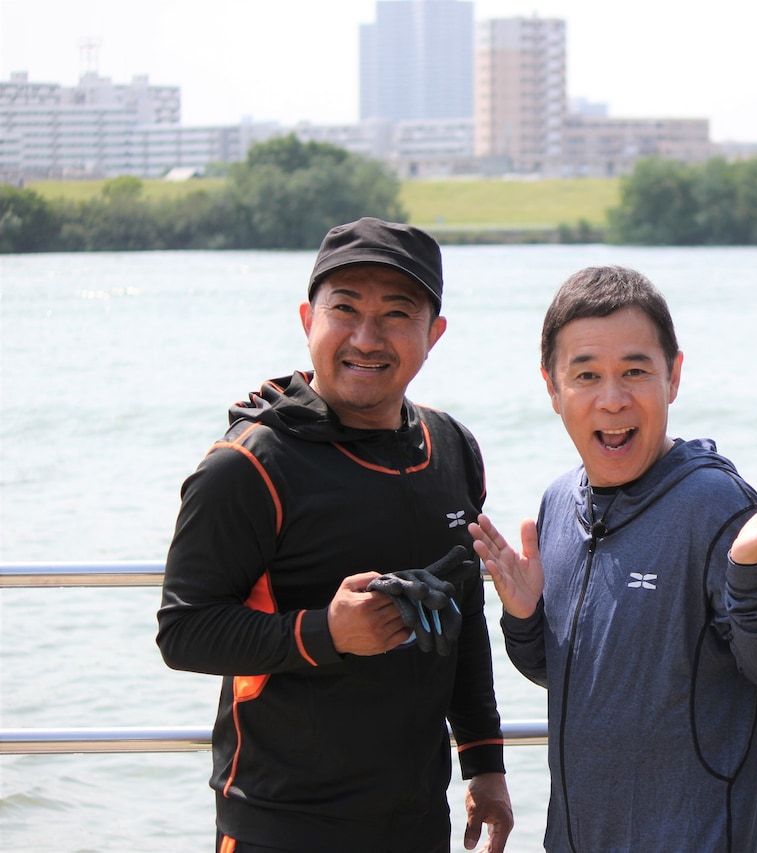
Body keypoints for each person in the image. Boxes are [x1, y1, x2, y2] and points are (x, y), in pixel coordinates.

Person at [156, 218, 513, 853]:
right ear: (307, 319)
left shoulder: (452, 447)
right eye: (344, 309)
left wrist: (484, 762)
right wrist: (327, 633)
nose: (366, 338)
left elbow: (463, 616)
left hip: (416, 818)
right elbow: (184, 631)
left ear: (434, 335)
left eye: (397, 315)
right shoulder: (249, 465)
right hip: (281, 820)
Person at [469, 265, 757, 852]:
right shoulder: (560, 503)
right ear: (552, 387)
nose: (612, 400)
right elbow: (568, 676)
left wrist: (750, 577)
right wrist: (525, 618)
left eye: (635, 371)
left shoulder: (717, 505)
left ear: (674, 377)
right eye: (586, 375)